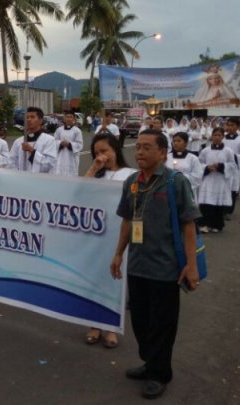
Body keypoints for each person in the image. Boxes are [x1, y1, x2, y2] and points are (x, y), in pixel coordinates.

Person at [111, 130, 200, 400]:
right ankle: (150, 363)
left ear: (162, 153)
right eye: (137, 147)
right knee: (140, 320)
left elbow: (188, 224)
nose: (139, 152)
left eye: (147, 147)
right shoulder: (132, 183)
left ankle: (160, 374)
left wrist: (192, 265)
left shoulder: (175, 182)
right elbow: (127, 220)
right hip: (137, 265)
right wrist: (118, 254)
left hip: (165, 268)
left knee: (162, 324)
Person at [83, 133, 136, 349]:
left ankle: (112, 327)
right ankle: (94, 324)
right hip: (97, 234)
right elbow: (80, 191)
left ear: (115, 150)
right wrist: (94, 168)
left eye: (104, 151)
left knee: (115, 280)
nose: (101, 156)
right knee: (94, 277)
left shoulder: (131, 174)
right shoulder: (97, 176)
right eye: (96, 152)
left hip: (119, 235)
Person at [198, 128, 235, 233]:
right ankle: (204, 224)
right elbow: (199, 163)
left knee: (218, 203)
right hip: (208, 179)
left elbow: (232, 165)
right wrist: (207, 167)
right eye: (215, 135)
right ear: (212, 136)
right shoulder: (205, 150)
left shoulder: (228, 151)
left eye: (219, 135)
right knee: (206, 202)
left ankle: (216, 224)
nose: (217, 137)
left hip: (220, 180)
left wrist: (221, 166)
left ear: (223, 137)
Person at [8, 107, 57, 173]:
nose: (29, 119)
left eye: (32, 117)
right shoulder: (18, 141)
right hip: (21, 179)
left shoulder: (49, 140)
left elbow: (50, 164)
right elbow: (11, 162)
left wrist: (33, 151)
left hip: (39, 180)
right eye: (27, 117)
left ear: (40, 121)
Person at [166, 132, 203, 200]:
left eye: (179, 141)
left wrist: (180, 177)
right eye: (174, 141)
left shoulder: (193, 158)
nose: (176, 143)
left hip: (186, 192)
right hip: (169, 190)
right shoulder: (167, 157)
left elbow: (198, 176)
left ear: (186, 143)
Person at [54, 110, 83, 176]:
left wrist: (69, 144)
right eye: (67, 117)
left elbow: (80, 145)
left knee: (71, 176)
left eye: (71, 117)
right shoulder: (59, 130)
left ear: (74, 119)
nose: (69, 119)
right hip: (60, 157)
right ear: (64, 118)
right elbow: (54, 141)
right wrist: (60, 143)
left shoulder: (77, 131)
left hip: (72, 158)